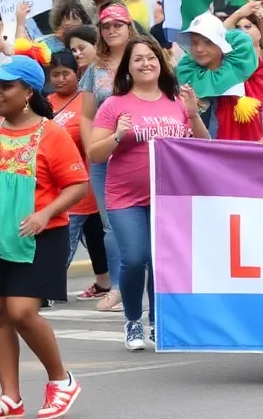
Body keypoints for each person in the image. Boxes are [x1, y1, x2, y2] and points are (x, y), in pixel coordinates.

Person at [0, 55, 88, 419]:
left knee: (21, 311)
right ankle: (10, 396)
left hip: (40, 236)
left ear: (28, 91)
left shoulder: (52, 134)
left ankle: (61, 380)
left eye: (6, 86)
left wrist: (45, 213)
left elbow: (77, 184)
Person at [86, 37, 207, 352]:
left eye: (151, 57)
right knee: (135, 257)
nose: (145, 64)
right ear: (128, 65)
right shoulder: (115, 104)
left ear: (161, 62)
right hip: (125, 196)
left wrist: (193, 115)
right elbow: (95, 153)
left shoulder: (176, 101)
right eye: (137, 59)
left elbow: (203, 146)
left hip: (166, 197)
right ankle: (132, 321)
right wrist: (118, 135)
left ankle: (156, 322)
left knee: (158, 261)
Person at [77, 4, 135, 315]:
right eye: (106, 26)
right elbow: (86, 115)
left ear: (130, 27)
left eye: (118, 24)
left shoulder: (143, 60)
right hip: (103, 158)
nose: (111, 30)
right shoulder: (95, 69)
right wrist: (92, 147)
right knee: (111, 225)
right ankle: (117, 288)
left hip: (139, 155)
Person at [46, 52, 111, 303]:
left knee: (82, 238)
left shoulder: (87, 102)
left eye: (66, 73)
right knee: (86, 237)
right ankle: (103, 283)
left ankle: (45, 289)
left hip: (85, 183)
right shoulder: (44, 103)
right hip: (55, 186)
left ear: (78, 74)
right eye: (55, 74)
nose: (61, 79)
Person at [174, 12, 263, 143]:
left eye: (208, 42)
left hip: (246, 151)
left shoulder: (246, 65)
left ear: (220, 43)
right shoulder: (188, 72)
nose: (199, 49)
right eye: (194, 43)